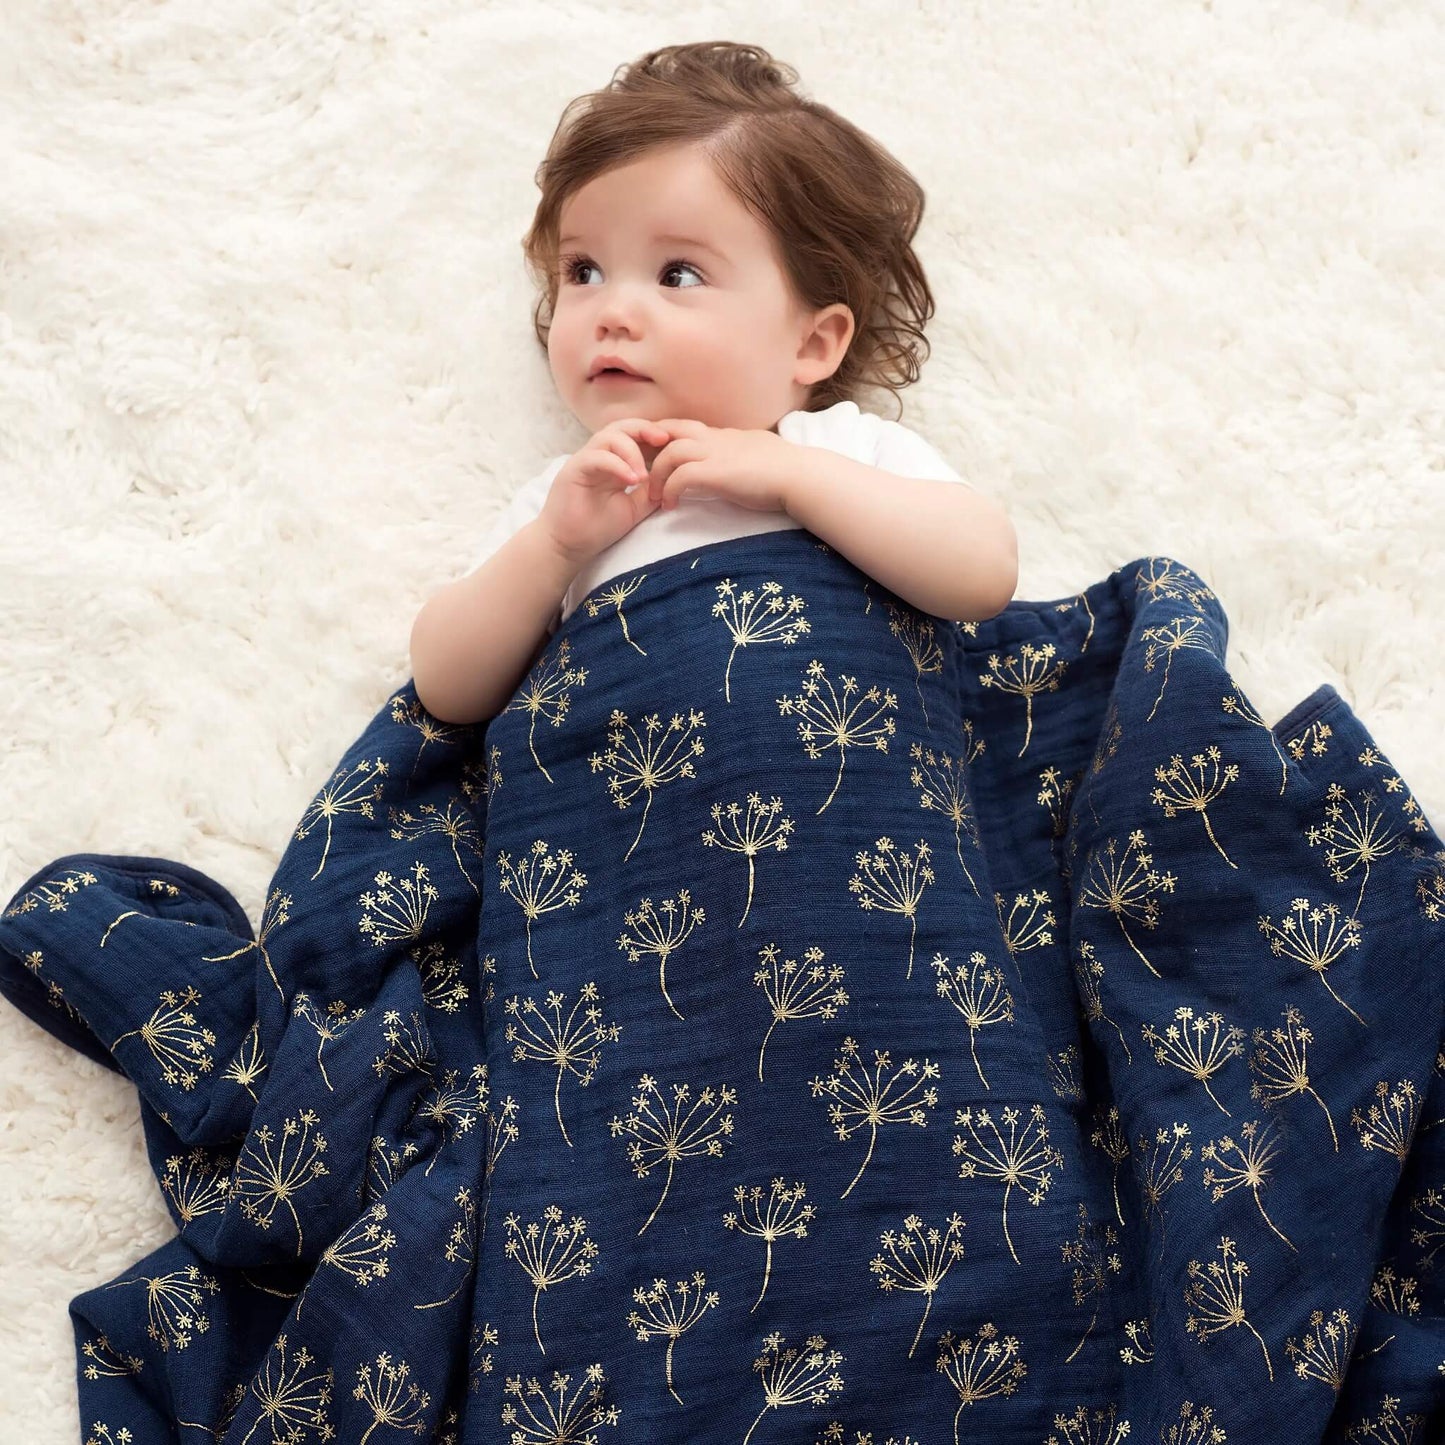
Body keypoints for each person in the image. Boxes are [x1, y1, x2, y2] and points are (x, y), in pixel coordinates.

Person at [409, 40, 1017, 727]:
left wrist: (794, 478)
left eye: (678, 275)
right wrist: (552, 548)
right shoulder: (570, 501)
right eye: (583, 271)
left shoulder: (839, 449)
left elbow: (984, 573)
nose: (611, 312)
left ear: (812, 343)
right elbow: (446, 690)